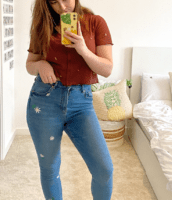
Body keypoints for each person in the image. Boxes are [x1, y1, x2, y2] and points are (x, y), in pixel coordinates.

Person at [26, 0, 114, 199]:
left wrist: (82, 49)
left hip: (81, 104)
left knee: (104, 169)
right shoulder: (43, 26)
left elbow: (107, 69)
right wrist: (40, 65)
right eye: (54, 2)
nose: (62, 7)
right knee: (50, 169)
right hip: (44, 101)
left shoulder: (95, 22)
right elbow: (29, 64)